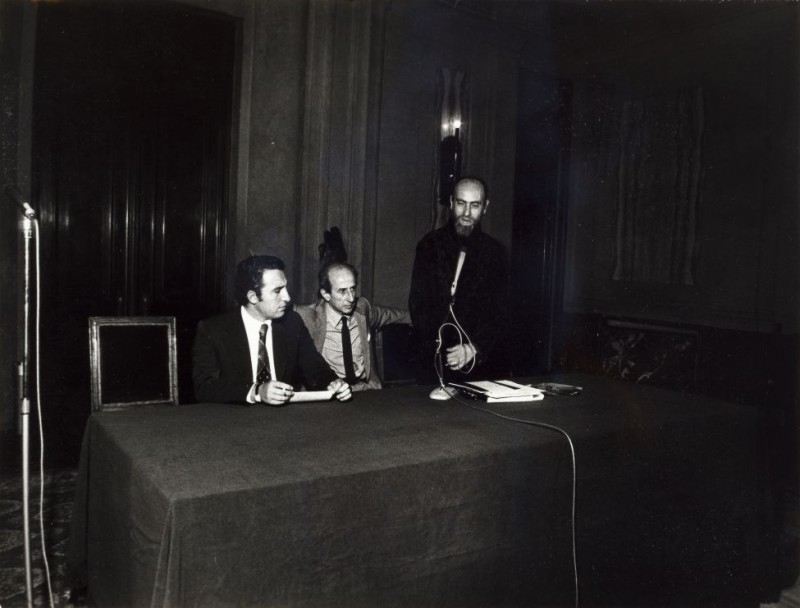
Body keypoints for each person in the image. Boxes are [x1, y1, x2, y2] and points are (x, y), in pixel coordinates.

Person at [192, 255, 351, 405]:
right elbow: (204, 387)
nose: (287, 297)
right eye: (277, 291)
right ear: (253, 297)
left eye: (285, 288)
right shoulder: (213, 329)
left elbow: (315, 368)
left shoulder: (292, 322)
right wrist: (256, 391)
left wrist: (333, 382)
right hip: (235, 417)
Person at [408, 176, 510, 389]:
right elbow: (418, 304)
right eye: (461, 203)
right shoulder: (429, 245)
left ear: (485, 207)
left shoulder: (496, 253)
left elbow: (500, 313)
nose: (467, 213)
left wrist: (473, 348)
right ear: (452, 203)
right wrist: (439, 348)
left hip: (478, 365)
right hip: (433, 363)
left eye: (475, 205)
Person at [296, 262, 410, 391]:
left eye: (352, 289)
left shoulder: (362, 307)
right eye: (342, 291)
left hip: (365, 389)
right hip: (330, 391)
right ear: (326, 294)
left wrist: (422, 317)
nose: (351, 298)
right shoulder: (307, 317)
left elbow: (393, 315)